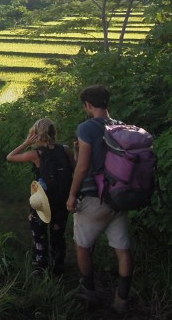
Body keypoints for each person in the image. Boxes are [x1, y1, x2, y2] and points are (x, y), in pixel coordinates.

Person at [67, 84, 132, 314]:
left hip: (94, 199)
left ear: (88, 105)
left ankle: (89, 291)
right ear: (107, 102)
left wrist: (72, 195)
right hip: (119, 198)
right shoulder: (121, 125)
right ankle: (122, 299)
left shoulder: (87, 127)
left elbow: (83, 167)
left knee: (83, 246)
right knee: (122, 250)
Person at [7, 118, 74, 276]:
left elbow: (10, 157)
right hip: (61, 198)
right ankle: (58, 266)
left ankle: (41, 266)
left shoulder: (35, 154)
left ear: (35, 134)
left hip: (42, 199)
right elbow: (75, 169)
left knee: (39, 233)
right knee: (58, 233)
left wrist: (25, 143)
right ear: (53, 132)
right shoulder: (65, 150)